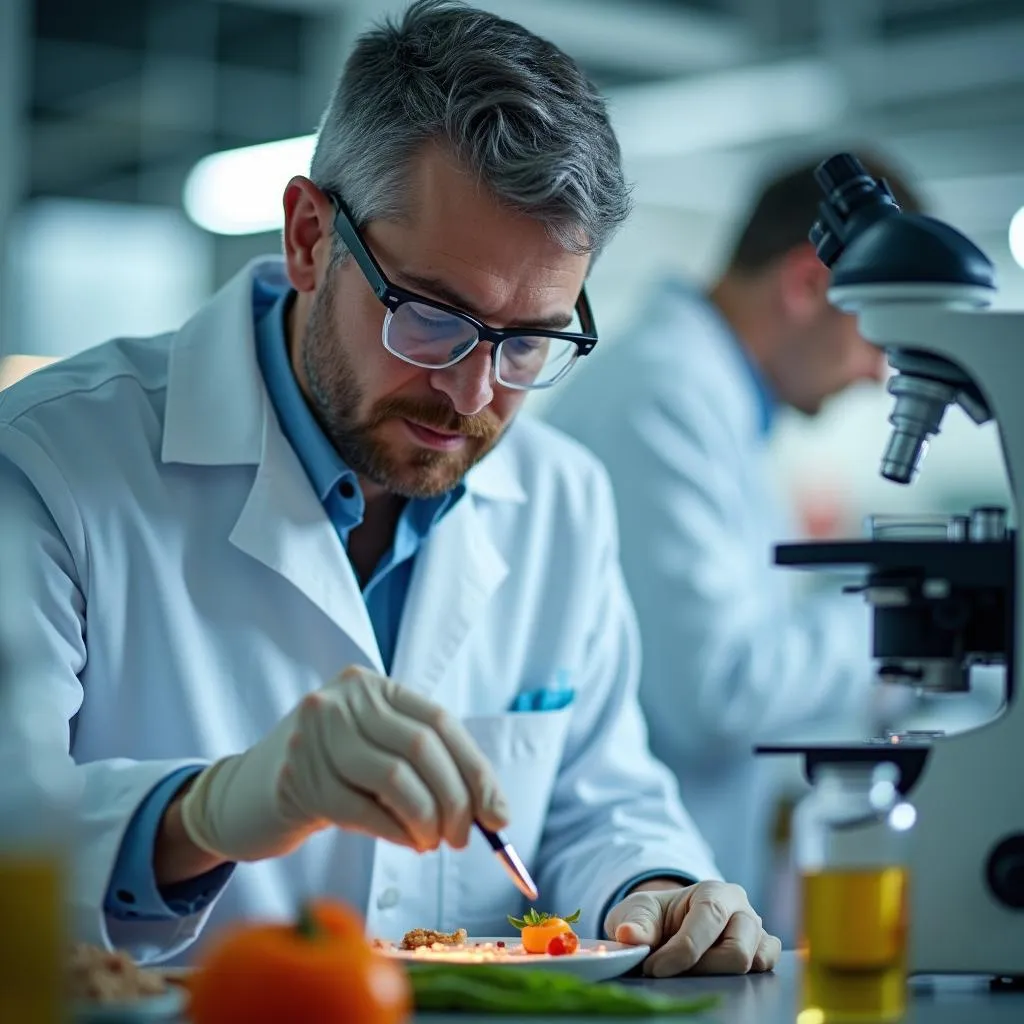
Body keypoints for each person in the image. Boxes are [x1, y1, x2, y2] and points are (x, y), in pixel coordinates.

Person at [0, 0, 780, 975]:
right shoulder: (53, 462)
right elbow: (9, 824)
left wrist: (652, 890)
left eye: (528, 339)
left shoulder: (562, 498)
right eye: (431, 314)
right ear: (308, 238)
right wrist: (208, 810)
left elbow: (599, 796)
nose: (471, 392)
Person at [546, 155, 923, 913]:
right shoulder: (664, 396)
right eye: (878, 335)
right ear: (806, 284)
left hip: (676, 884)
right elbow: (714, 691)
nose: (880, 372)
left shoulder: (721, 403)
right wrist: (898, 618)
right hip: (620, 886)